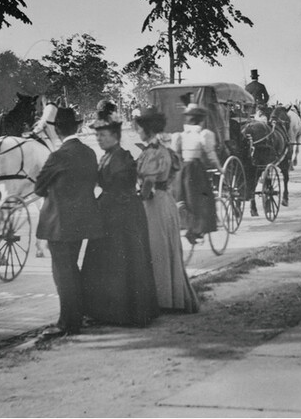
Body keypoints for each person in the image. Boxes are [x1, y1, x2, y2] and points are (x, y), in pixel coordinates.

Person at [79, 101, 159, 327]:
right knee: (106, 261)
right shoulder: (107, 155)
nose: (99, 139)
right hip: (111, 211)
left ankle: (124, 313)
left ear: (115, 136)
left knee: (121, 260)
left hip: (122, 214)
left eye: (103, 135)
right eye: (97, 136)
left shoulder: (121, 157)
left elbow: (123, 185)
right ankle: (106, 311)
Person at [35, 107, 104, 337]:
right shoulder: (89, 153)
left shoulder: (57, 156)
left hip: (59, 224)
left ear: (56, 130)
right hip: (83, 221)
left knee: (63, 272)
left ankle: (67, 323)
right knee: (71, 269)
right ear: (76, 127)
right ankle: (75, 317)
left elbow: (38, 187)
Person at [135, 107, 200, 313]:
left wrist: (139, 197)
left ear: (147, 130)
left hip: (154, 204)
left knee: (157, 249)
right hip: (166, 201)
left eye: (140, 129)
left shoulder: (152, 153)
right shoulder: (166, 151)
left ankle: (162, 299)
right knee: (167, 248)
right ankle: (172, 297)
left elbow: (148, 184)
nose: (138, 132)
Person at [171, 103, 221, 245]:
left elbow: (176, 154)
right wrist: (220, 168)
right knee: (203, 199)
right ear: (201, 120)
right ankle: (197, 230)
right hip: (197, 170)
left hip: (183, 170)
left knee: (184, 198)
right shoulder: (203, 134)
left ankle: (187, 226)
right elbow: (211, 155)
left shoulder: (180, 135)